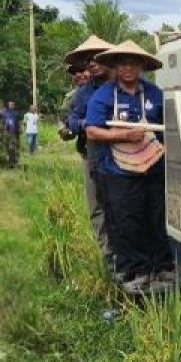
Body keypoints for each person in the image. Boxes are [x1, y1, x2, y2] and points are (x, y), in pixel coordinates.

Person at [84, 40, 173, 294]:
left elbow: (170, 126)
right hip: (118, 172)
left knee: (155, 218)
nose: (128, 68)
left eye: (133, 63)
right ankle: (133, 271)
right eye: (122, 63)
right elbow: (91, 129)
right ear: (115, 66)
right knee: (126, 220)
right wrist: (123, 136)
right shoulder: (104, 95)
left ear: (142, 66)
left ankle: (161, 268)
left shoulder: (154, 93)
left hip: (154, 169)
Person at [65, 35, 116, 273]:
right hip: (93, 154)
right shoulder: (84, 93)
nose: (92, 63)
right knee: (97, 207)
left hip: (125, 154)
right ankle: (108, 258)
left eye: (97, 58)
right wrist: (88, 123)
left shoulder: (124, 85)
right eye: (88, 60)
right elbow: (72, 120)